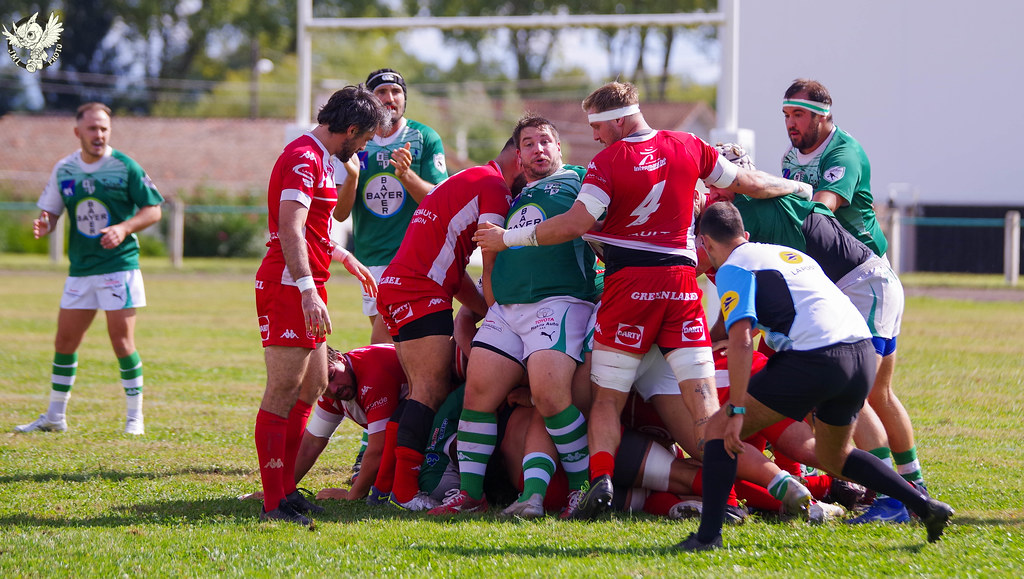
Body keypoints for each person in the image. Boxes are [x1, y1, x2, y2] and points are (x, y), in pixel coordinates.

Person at [474, 81, 814, 519]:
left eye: (598, 128)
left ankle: (598, 482)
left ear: (616, 120)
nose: (595, 137)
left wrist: (508, 238)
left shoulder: (608, 161)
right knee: (703, 415)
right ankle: (776, 482)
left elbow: (575, 223)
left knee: (600, 402)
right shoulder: (690, 144)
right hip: (679, 290)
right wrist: (798, 189)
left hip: (630, 293)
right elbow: (749, 182)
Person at [674, 202, 952, 552]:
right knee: (834, 455)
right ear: (744, 235)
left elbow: (743, 341)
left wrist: (738, 408)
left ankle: (708, 536)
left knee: (717, 429)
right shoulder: (785, 254)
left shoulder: (733, 267)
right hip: (862, 353)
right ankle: (925, 506)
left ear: (706, 243)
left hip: (817, 358)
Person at [712, 142, 924, 523]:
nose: (708, 187)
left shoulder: (753, 210)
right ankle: (912, 489)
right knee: (875, 393)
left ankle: (894, 500)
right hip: (858, 286)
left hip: (859, 286)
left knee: (856, 396)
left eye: (712, 177)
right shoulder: (755, 204)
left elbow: (785, 281)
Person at [431, 115, 598, 516]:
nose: (538, 149)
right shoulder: (513, 195)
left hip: (558, 303)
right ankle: (471, 495)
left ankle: (582, 488)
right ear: (518, 155)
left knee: (549, 395)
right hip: (506, 310)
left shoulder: (580, 180)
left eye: (545, 141)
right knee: (478, 393)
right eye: (528, 143)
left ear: (559, 148)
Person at [253, 86, 389, 525]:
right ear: (350, 129)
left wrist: (346, 258)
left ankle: (287, 490)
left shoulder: (322, 159)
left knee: (312, 386)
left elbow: (314, 230)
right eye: (365, 137)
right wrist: (308, 289)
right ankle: (274, 502)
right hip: (289, 285)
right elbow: (290, 228)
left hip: (309, 282)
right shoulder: (303, 158)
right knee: (282, 390)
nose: (365, 146)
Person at [375, 138, 522, 511]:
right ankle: (404, 492)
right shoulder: (495, 188)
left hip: (399, 285)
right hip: (420, 291)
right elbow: (491, 257)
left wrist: (483, 309)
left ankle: (385, 485)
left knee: (416, 391)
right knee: (430, 389)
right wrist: (501, 312)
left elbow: (456, 276)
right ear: (518, 155)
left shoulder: (468, 178)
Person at [15, 102, 163, 436]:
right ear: (78, 131)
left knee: (121, 341)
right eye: (93, 128)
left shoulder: (124, 167)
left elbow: (153, 210)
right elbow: (51, 213)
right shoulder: (64, 169)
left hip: (118, 266)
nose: (99, 135)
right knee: (65, 340)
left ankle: (134, 418)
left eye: (104, 129)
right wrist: (45, 223)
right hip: (81, 269)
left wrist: (124, 228)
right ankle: (54, 416)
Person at [334, 68, 449, 344]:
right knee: (391, 343)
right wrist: (351, 177)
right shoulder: (354, 141)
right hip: (370, 259)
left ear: (404, 98)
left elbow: (441, 202)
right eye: (381, 92)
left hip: (415, 257)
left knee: (395, 340)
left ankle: (383, 385)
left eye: (396, 91)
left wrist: (407, 176)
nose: (390, 98)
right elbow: (339, 214)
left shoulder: (424, 137)